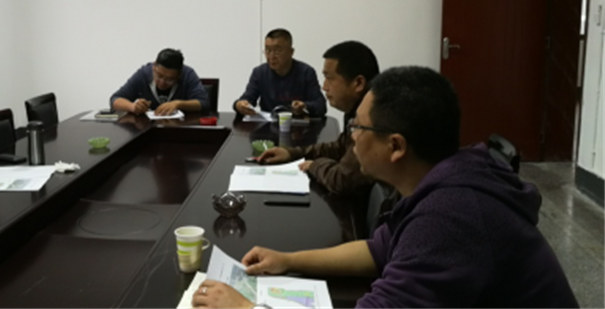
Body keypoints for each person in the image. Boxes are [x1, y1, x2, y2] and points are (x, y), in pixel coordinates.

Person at [193, 66, 579, 309]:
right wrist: (289, 260)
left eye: (357, 127)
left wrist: (245, 308)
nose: (351, 137)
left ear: (395, 146)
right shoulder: (446, 178)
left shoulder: (451, 215)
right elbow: (379, 249)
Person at [257, 41, 379, 195]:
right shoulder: (356, 110)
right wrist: (292, 153)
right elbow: (340, 148)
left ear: (358, 83)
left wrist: (314, 165)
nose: (324, 86)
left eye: (329, 78)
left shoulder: (371, 120)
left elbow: (342, 179)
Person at [234, 29, 326, 117]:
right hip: (268, 124)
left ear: (291, 52)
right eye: (268, 50)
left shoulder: (306, 72)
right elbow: (247, 100)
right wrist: (239, 105)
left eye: (277, 51)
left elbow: (320, 106)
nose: (271, 56)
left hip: (297, 124)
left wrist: (304, 106)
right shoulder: (259, 73)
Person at [110, 48, 210, 116]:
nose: (162, 82)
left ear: (179, 75)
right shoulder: (143, 74)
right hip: (147, 129)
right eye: (159, 76)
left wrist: (178, 104)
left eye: (170, 79)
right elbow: (115, 99)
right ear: (154, 67)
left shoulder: (187, 74)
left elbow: (204, 102)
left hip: (180, 129)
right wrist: (133, 107)